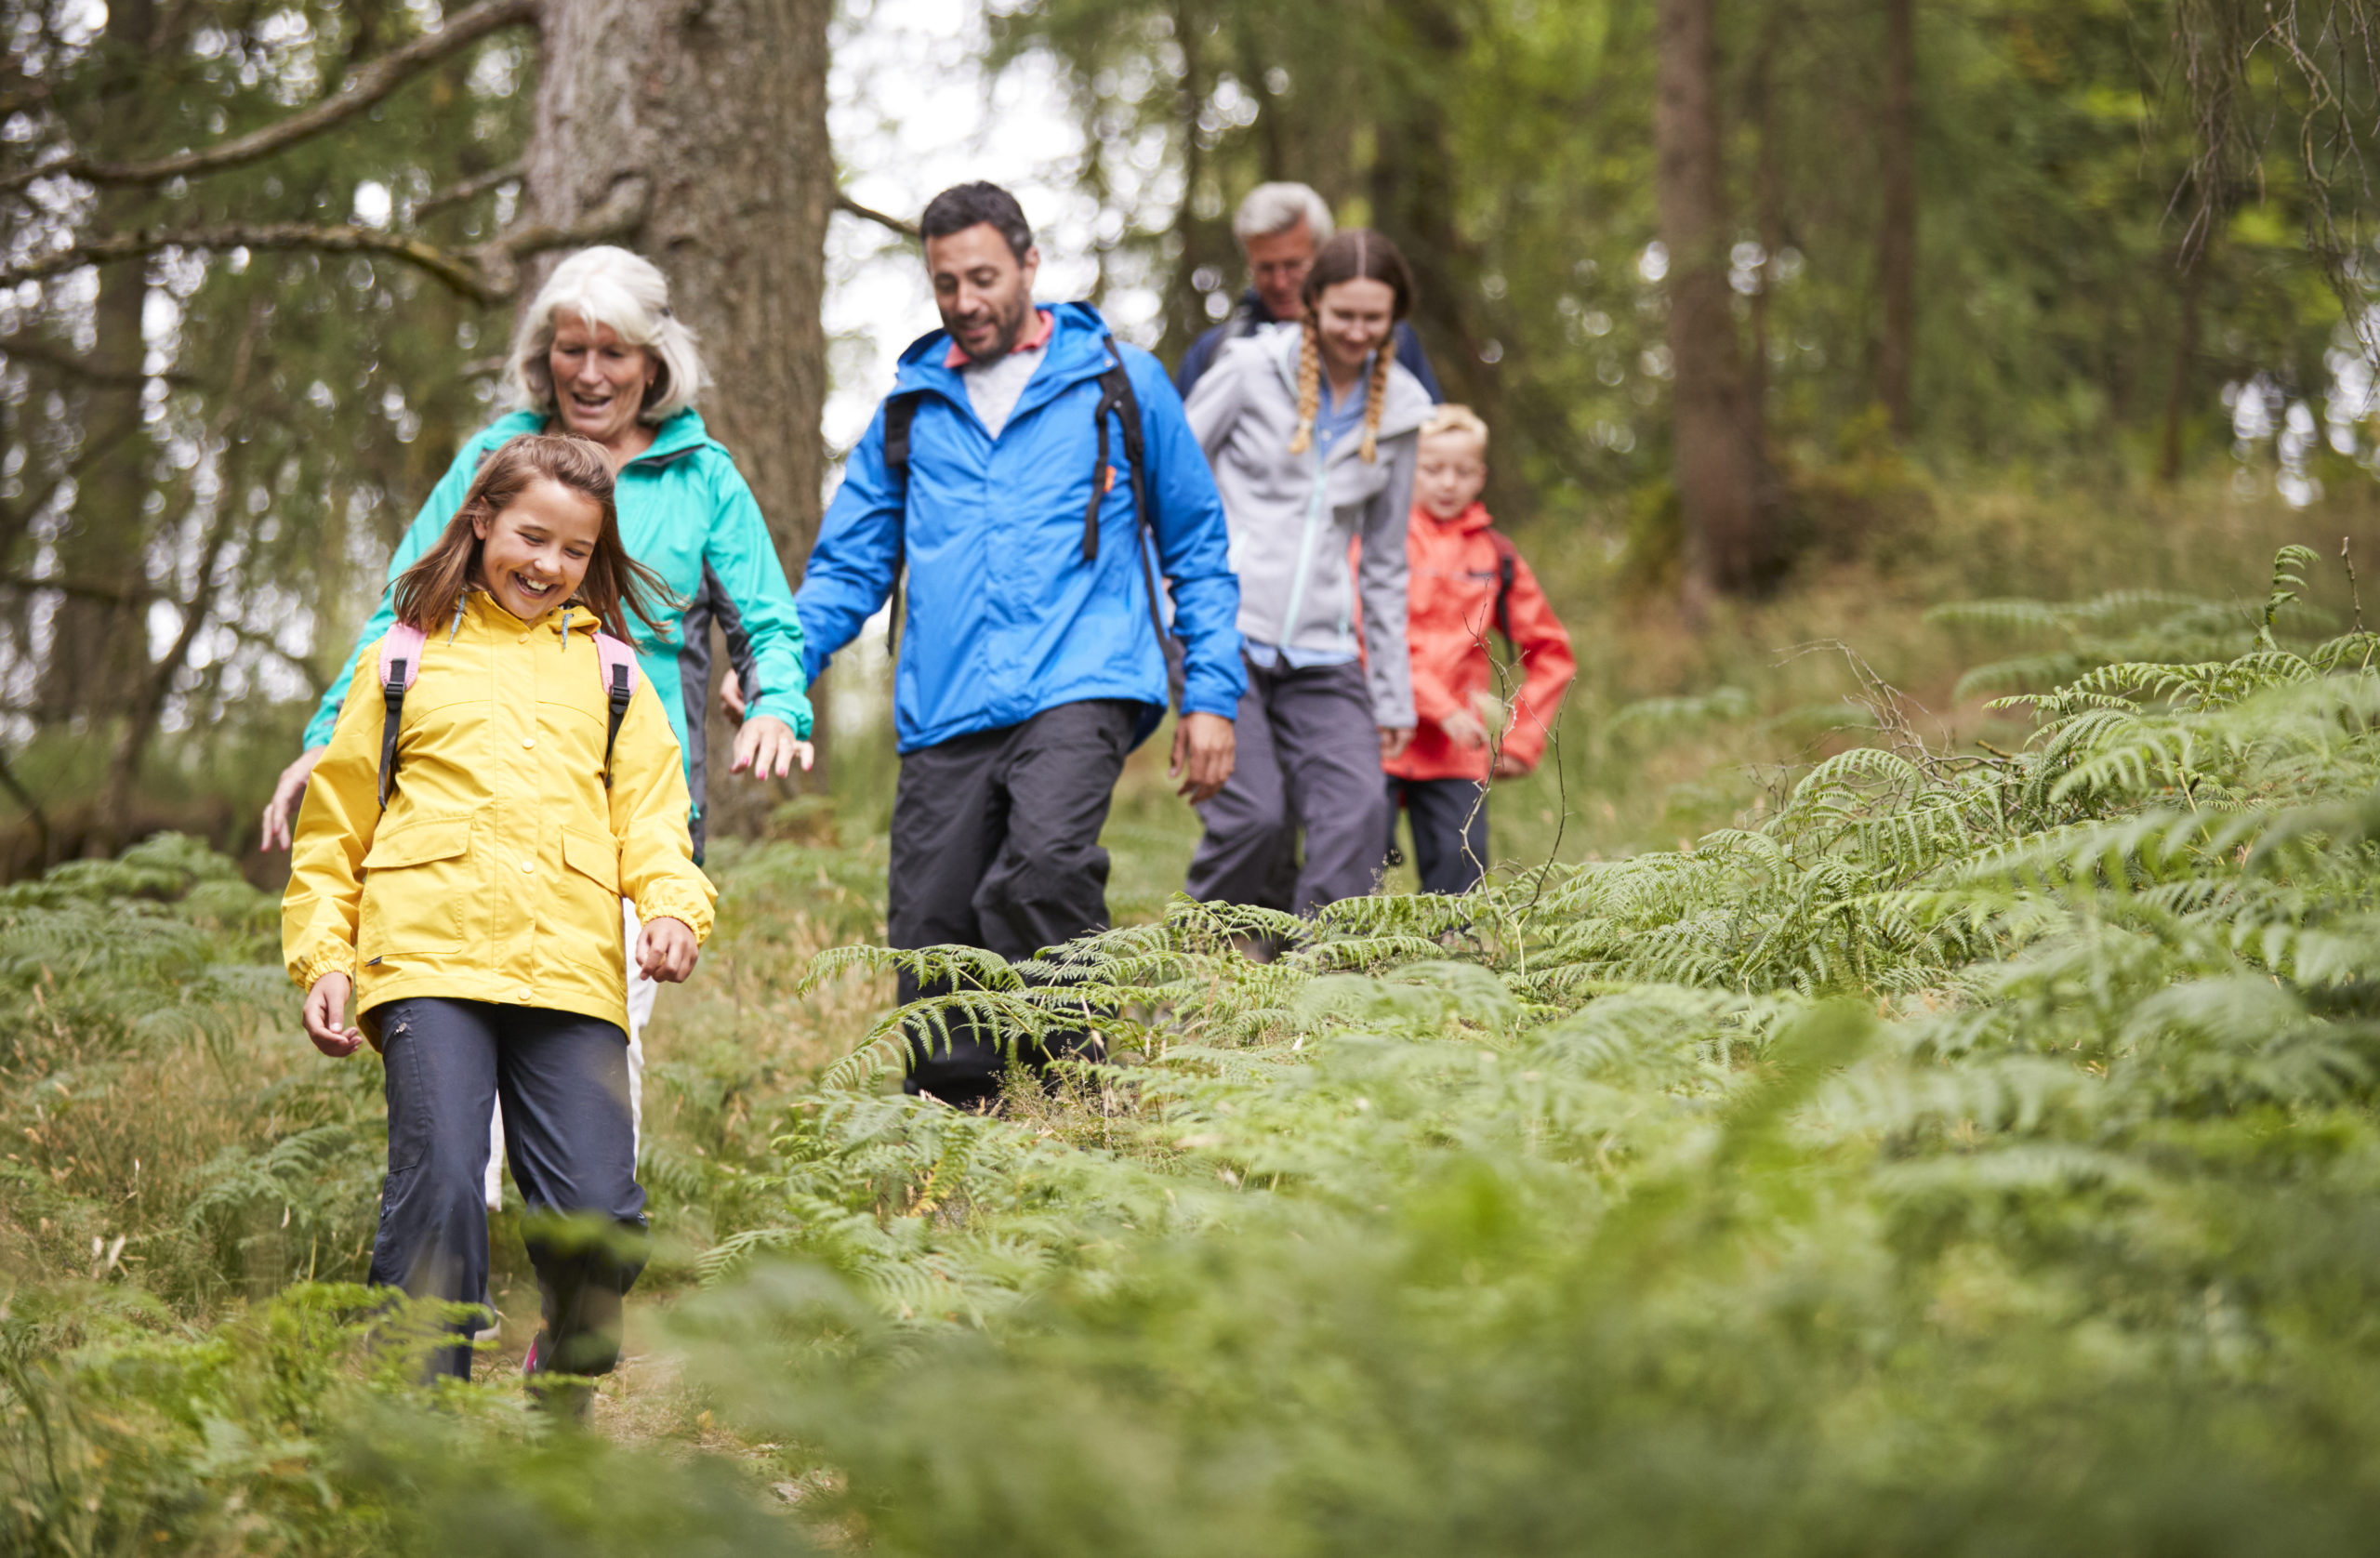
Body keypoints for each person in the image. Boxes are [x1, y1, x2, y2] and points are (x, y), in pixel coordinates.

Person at [259, 245, 813, 1208]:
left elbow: (764, 618)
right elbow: (405, 604)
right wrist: (325, 732)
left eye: (614, 351)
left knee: (596, 1048)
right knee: (457, 1074)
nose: (591, 372)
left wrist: (774, 702)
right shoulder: (492, 462)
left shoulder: (699, 475)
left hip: (624, 813)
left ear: (654, 361)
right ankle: (454, 1274)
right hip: (466, 801)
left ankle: (568, 1274)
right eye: (571, 349)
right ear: (542, 356)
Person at [283, 434, 714, 1406]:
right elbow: (335, 829)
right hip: (426, 961)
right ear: (481, 520)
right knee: (438, 1187)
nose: (547, 565)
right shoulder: (403, 656)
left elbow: (652, 816)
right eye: (530, 536)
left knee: (600, 1223)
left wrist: (672, 908)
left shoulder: (613, 673)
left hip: (569, 970)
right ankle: (418, 1433)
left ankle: (562, 1376)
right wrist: (325, 958)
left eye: (573, 550)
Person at [795, 181, 1243, 1111]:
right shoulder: (911, 409)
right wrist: (778, 664)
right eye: (946, 282)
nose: (965, 300)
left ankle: (1080, 1094)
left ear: (1030, 264)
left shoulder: (1119, 380)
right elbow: (848, 566)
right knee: (932, 932)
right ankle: (958, 1136)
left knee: (1043, 867)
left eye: (984, 276)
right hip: (946, 704)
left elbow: (1197, 544)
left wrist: (1210, 693)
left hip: (1082, 676)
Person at [1183, 230, 1434, 915]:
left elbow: (1383, 564)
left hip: (1324, 649)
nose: (1357, 332)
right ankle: (1194, 979)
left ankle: (1314, 996)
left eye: (1373, 318)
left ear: (1394, 320)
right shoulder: (1245, 369)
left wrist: (1392, 694)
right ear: (1312, 304)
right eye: (1343, 315)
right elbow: (1171, 481)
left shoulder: (1405, 412)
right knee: (1254, 819)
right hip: (1225, 631)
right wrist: (1167, 605)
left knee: (1358, 814)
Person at [1382, 405, 1576, 894]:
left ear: (1481, 476)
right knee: (1350, 883)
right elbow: (1366, 638)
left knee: (1459, 891)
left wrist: (1522, 739)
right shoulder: (1379, 539)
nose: (1448, 482)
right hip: (1377, 737)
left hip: (1457, 750)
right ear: (1410, 468)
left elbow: (1552, 653)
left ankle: (1451, 967)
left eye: (1463, 471)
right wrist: (1440, 707)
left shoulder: (1496, 554)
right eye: (1433, 469)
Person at [1174, 182, 1442, 403]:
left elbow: (1435, 439)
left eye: (1293, 266)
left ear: (1324, 255)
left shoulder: (1386, 339)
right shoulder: (1217, 351)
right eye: (1266, 268)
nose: (1280, 282)